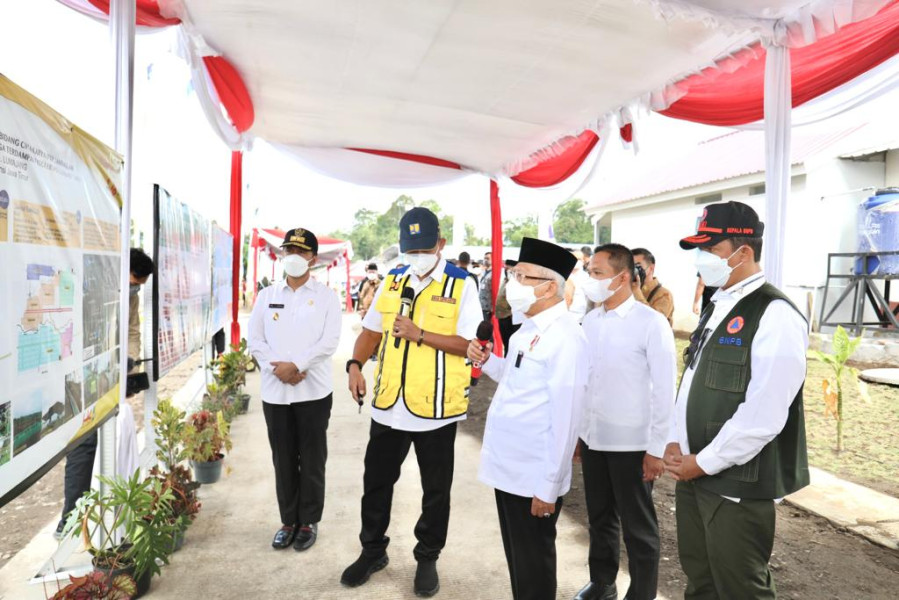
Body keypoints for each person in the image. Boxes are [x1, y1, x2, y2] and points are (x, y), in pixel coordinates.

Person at [664, 201, 809, 598]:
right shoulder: (719, 303)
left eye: (710, 250)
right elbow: (695, 378)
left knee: (741, 588)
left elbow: (764, 414)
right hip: (695, 474)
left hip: (736, 486)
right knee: (701, 580)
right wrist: (677, 440)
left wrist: (704, 462)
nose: (700, 260)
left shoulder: (775, 313)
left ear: (743, 252)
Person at [342, 207, 481, 597]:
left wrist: (421, 333)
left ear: (440, 244)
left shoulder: (461, 284)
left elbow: (470, 345)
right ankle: (372, 551)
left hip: (435, 408)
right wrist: (355, 365)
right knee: (376, 483)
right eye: (409, 249)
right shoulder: (393, 279)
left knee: (436, 490)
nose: (416, 256)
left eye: (423, 248)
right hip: (389, 405)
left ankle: (428, 557)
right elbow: (371, 332)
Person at [469, 237, 588, 600]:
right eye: (513, 274)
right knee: (519, 559)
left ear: (551, 286)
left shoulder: (567, 338)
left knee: (534, 565)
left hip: (534, 477)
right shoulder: (527, 330)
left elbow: (567, 420)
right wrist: (485, 359)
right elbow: (514, 378)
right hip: (509, 468)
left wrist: (548, 486)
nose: (512, 284)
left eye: (523, 276)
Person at [574, 244, 676, 600]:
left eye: (597, 273)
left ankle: (643, 593)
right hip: (594, 439)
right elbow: (584, 382)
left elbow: (665, 391)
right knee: (600, 518)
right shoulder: (590, 320)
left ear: (622, 277)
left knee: (639, 528)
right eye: (589, 272)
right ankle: (602, 583)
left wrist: (657, 449)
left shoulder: (651, 323)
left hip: (632, 445)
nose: (590, 280)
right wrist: (578, 435)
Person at [248, 228, 342, 553]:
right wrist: (279, 368)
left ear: (313, 259)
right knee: (283, 457)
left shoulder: (327, 297)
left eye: (301, 252)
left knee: (313, 458)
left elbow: (329, 342)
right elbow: (255, 341)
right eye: (288, 250)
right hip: (276, 392)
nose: (293, 256)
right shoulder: (266, 295)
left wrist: (297, 365)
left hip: (313, 391)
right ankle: (288, 520)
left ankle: (309, 520)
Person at [56, 248, 154, 538]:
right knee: (84, 444)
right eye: (135, 281)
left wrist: (130, 360)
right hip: (83, 374)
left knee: (111, 439)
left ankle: (104, 511)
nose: (136, 288)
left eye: (140, 285)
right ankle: (71, 518)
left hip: (111, 376)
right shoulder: (93, 285)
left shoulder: (131, 295)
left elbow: (133, 331)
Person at [632, 247, 675, 326]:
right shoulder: (627, 290)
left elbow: (653, 322)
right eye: (630, 266)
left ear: (651, 268)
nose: (633, 270)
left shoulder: (664, 294)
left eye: (637, 266)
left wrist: (637, 292)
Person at [494, 260, 519, 356]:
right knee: (506, 342)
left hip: (510, 317)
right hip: (502, 316)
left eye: (509, 268)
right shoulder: (505, 280)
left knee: (510, 344)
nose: (506, 270)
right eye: (505, 268)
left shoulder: (516, 282)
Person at [479, 251, 493, 321]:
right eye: (484, 258)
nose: (485, 260)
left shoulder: (494, 274)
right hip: (480, 305)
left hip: (487, 307)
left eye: (487, 258)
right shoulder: (483, 272)